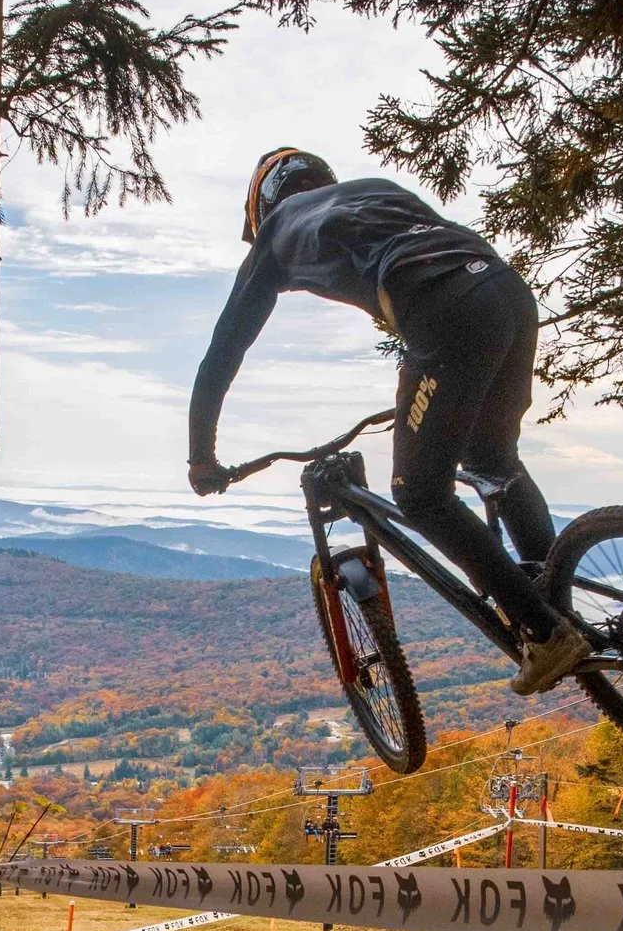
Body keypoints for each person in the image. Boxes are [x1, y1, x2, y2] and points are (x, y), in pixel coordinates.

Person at [187, 147, 589, 696]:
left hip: (443, 307)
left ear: (265, 202)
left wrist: (201, 458)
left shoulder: (278, 230)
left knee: (420, 494)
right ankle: (554, 599)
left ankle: (546, 632)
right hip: (505, 292)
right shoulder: (375, 189)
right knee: (491, 458)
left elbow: (221, 356)